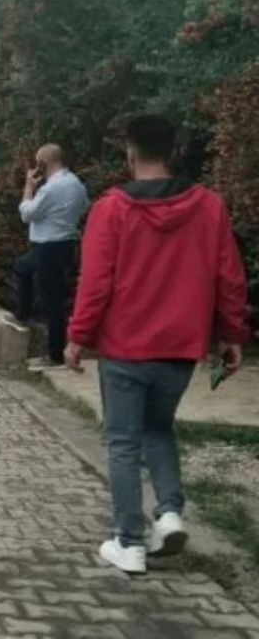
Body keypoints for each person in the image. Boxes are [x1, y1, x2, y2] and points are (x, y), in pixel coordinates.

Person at [65, 115, 249, 575]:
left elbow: (96, 283)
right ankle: (168, 514)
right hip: (180, 346)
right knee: (159, 429)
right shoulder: (209, 206)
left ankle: (128, 542)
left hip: (125, 345)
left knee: (124, 442)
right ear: (173, 152)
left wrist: (77, 337)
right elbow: (229, 277)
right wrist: (232, 335)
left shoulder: (112, 209)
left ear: (130, 153)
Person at [14, 144, 89, 368]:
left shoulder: (52, 188)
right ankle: (23, 313)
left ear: (43, 163)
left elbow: (27, 214)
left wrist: (28, 187)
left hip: (49, 246)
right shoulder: (76, 183)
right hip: (65, 243)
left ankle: (54, 353)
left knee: (52, 300)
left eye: (38, 163)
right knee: (22, 267)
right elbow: (84, 207)